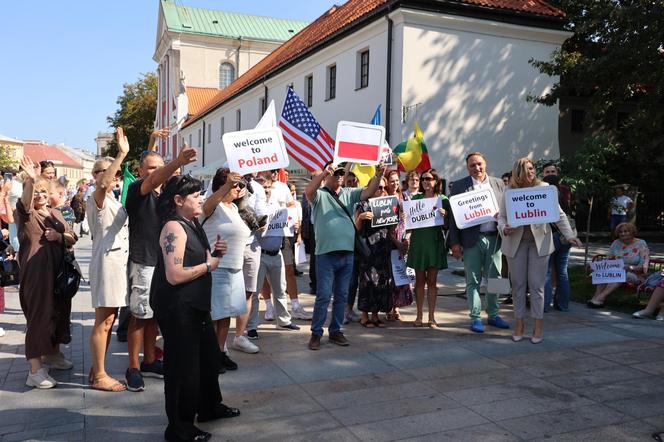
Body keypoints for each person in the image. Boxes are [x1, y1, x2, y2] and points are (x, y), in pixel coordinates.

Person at [152, 174, 240, 442]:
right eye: (195, 195)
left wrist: (215, 255)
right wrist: (209, 265)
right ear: (179, 201)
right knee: (183, 370)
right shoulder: (173, 228)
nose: (201, 198)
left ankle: (210, 407)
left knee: (209, 359)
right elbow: (174, 274)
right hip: (178, 308)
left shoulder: (190, 223)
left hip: (195, 305)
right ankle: (179, 429)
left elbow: (198, 259)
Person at [123, 144, 196, 391]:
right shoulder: (136, 189)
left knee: (154, 314)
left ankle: (150, 360)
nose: (157, 171)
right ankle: (133, 367)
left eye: (159, 165)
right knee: (139, 316)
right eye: (152, 167)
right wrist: (175, 162)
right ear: (141, 170)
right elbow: (155, 178)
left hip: (162, 263)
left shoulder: (163, 195)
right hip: (143, 261)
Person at [498, 158, 581, 343]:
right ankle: (519, 325)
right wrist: (504, 228)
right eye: (526, 169)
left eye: (532, 168)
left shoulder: (544, 187)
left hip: (541, 243)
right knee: (518, 286)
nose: (531, 172)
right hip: (516, 243)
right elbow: (501, 218)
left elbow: (559, 214)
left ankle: (538, 328)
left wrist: (569, 235)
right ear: (518, 172)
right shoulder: (509, 191)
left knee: (537, 286)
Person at [305, 162, 383, 350]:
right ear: (328, 176)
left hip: (347, 253)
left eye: (342, 173)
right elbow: (308, 191)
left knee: (342, 295)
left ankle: (336, 331)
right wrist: (325, 172)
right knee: (323, 296)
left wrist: (379, 175)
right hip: (325, 254)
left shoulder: (349, 193)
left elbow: (369, 192)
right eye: (336, 173)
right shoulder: (320, 195)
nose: (340, 176)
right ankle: (316, 333)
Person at [15, 155, 76, 389]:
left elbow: (72, 237)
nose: (40, 195)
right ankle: (35, 370)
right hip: (37, 273)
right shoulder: (27, 214)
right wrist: (31, 180)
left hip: (57, 272)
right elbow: (25, 202)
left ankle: (52, 354)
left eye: (43, 191)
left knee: (58, 313)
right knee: (39, 317)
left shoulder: (55, 213)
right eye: (37, 191)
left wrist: (59, 236)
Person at [87, 129, 130, 392]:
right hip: (107, 262)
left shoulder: (113, 197)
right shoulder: (98, 197)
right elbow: (104, 184)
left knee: (110, 318)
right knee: (104, 321)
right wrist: (121, 153)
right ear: (95, 176)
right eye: (105, 170)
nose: (112, 174)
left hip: (115, 262)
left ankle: (96, 367)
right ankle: (101, 375)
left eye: (113, 169)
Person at [448, 153, 509, 332]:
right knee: (472, 281)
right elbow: (453, 218)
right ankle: (475, 317)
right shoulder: (459, 186)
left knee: (495, 279)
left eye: (480, 164)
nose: (477, 168)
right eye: (472, 165)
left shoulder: (498, 183)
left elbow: (506, 209)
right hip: (471, 240)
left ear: (485, 164)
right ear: (468, 167)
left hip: (495, 238)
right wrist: (454, 243)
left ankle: (494, 314)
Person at [202, 168, 257, 359]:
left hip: (235, 268)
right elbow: (205, 208)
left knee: (225, 316)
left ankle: (219, 352)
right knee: (214, 316)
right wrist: (227, 184)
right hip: (218, 268)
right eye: (236, 185)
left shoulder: (233, 208)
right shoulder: (213, 205)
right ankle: (209, 354)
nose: (239, 188)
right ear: (221, 186)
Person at [247, 177, 300, 337]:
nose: (267, 189)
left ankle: (284, 321)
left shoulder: (278, 206)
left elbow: (287, 223)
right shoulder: (254, 207)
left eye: (269, 186)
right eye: (264, 187)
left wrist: (294, 225)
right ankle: (252, 327)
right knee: (255, 293)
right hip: (260, 253)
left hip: (276, 253)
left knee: (280, 290)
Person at [407, 169, 450, 328]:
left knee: (432, 281)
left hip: (434, 243)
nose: (425, 181)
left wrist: (445, 216)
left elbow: (448, 226)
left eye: (429, 179)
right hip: (419, 243)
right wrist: (405, 218)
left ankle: (431, 316)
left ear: (436, 181)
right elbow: (408, 222)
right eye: (423, 179)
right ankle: (419, 315)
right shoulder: (415, 198)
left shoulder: (443, 200)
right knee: (419, 281)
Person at [354, 177, 393, 327]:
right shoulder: (363, 205)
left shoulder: (388, 205)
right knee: (367, 281)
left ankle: (375, 315)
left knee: (381, 282)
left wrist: (397, 219)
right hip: (367, 249)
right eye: (378, 187)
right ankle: (364, 315)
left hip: (382, 248)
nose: (381, 190)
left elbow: (390, 230)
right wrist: (361, 218)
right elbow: (356, 229)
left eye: (383, 187)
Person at [588, 222, 649, 308]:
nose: (623, 233)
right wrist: (597, 266)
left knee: (619, 274)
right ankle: (596, 298)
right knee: (606, 272)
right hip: (616, 271)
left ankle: (600, 298)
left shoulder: (641, 244)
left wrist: (630, 268)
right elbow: (608, 259)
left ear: (632, 232)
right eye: (620, 232)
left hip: (635, 274)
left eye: (626, 231)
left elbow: (643, 267)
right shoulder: (616, 243)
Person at [542, 173, 573, 311]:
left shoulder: (547, 197)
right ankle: (562, 304)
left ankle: (544, 305)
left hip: (551, 235)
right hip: (566, 237)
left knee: (546, 271)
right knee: (562, 271)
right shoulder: (563, 197)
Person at [385, 169, 413, 321]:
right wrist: (396, 243)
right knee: (390, 276)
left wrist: (407, 240)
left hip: (403, 238)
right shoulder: (384, 198)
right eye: (391, 181)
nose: (395, 183)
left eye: (397, 180)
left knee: (401, 276)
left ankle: (396, 307)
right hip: (389, 240)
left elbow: (412, 220)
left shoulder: (405, 196)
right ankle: (389, 307)